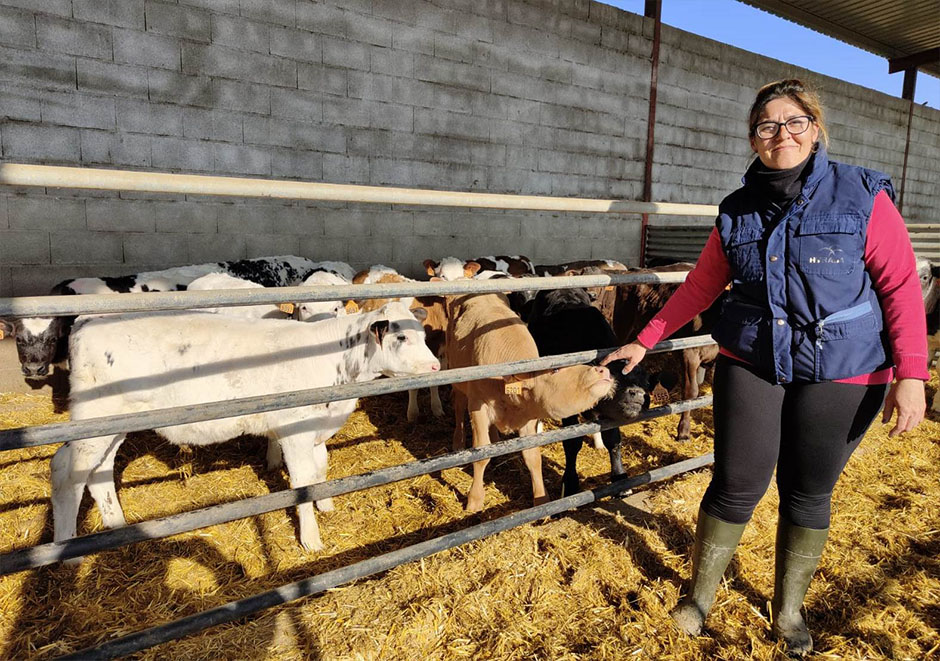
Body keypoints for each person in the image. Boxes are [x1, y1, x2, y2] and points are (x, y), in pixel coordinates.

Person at [602, 78, 928, 656]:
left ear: (815, 128)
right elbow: (703, 284)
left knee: (807, 492)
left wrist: (912, 375)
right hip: (752, 358)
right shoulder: (738, 208)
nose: (781, 134)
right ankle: (699, 598)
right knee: (735, 485)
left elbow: (900, 285)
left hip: (844, 366)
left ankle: (787, 610)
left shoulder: (861, 195)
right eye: (767, 126)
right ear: (754, 139)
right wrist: (646, 339)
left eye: (793, 122)